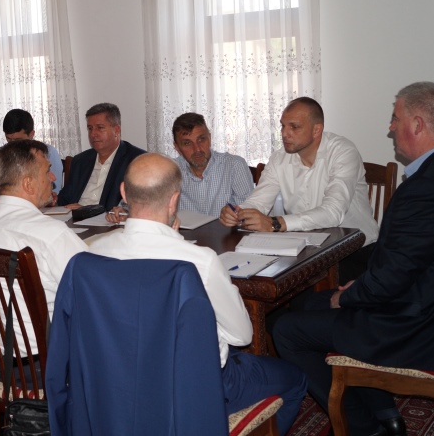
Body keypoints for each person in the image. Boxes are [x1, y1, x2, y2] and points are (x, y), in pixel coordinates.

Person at [272, 82, 434, 436]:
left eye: (396, 118)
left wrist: (349, 295)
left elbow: (391, 278)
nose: (391, 127)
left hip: (418, 328)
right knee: (307, 305)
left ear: (417, 125)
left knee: (286, 331)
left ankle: (362, 427)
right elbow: (406, 261)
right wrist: (360, 286)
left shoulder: (426, 188)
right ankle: (384, 412)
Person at [89, 154, 306, 435]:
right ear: (174, 200)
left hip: (120, 382)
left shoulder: (93, 253)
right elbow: (242, 336)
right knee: (296, 379)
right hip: (195, 388)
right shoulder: (198, 262)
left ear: (123, 192)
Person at [220, 97, 378, 281]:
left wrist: (275, 223)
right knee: (258, 280)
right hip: (306, 251)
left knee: (294, 289)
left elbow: (332, 213)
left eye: (294, 127)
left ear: (316, 130)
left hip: (355, 250)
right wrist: (238, 212)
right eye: (282, 126)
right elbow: (258, 201)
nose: (284, 133)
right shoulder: (279, 158)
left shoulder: (343, 152)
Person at [0, 139, 87, 355]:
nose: (54, 177)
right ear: (28, 183)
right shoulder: (51, 234)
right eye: (47, 171)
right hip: (43, 362)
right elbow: (93, 290)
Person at [57, 103, 145, 210]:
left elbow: (139, 205)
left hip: (108, 219)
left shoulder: (137, 161)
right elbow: (64, 199)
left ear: (116, 130)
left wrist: (87, 211)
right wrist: (52, 199)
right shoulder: (80, 161)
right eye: (90, 128)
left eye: (100, 128)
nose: (93, 134)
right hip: (73, 218)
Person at [171, 112, 255, 216]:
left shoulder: (234, 165)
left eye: (201, 139)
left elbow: (248, 213)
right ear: (177, 147)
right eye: (187, 143)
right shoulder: (170, 172)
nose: (197, 149)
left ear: (209, 138)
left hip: (227, 227)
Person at [0, 108, 63, 202]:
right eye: (8, 139)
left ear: (31, 134)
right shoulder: (2, 155)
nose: (12, 145)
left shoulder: (48, 153)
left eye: (18, 140)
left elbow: (52, 194)